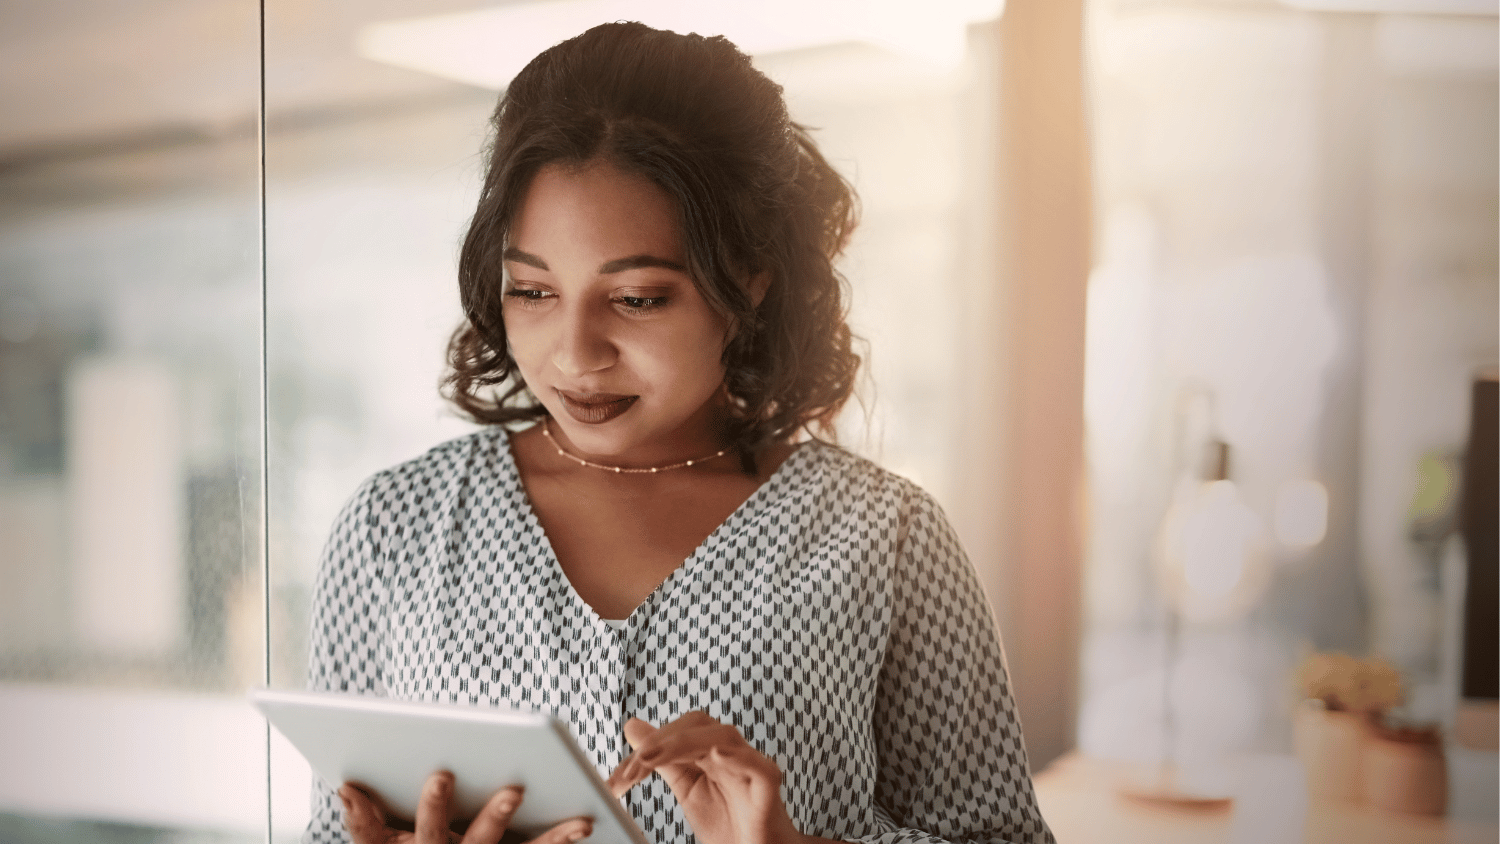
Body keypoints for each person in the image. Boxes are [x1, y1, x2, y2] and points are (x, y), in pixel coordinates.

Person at [304, 20, 1054, 844]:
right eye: (533, 291)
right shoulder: (394, 529)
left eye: (637, 299)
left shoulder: (884, 539)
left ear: (750, 281)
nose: (575, 354)